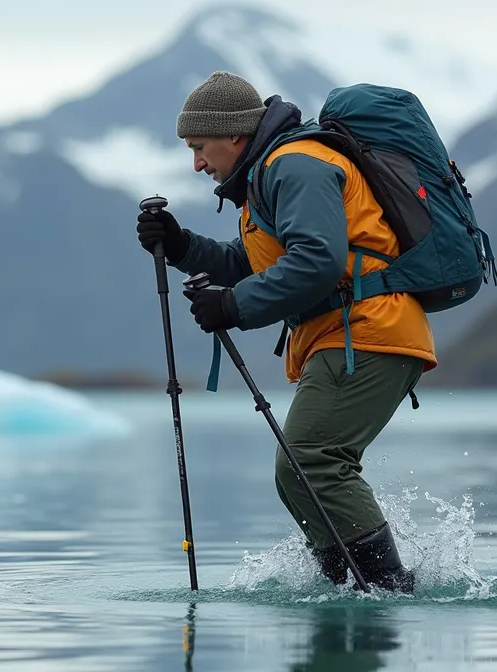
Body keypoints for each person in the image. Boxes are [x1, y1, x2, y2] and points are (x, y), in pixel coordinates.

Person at [135, 70, 435, 593]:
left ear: (233, 135)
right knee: (297, 471)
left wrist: (231, 306)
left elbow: (318, 261)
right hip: (347, 333)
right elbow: (254, 262)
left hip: (368, 330)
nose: (197, 163)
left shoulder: (294, 165)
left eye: (199, 147)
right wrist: (182, 246)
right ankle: (347, 586)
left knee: (312, 459)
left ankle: (387, 591)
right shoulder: (267, 176)